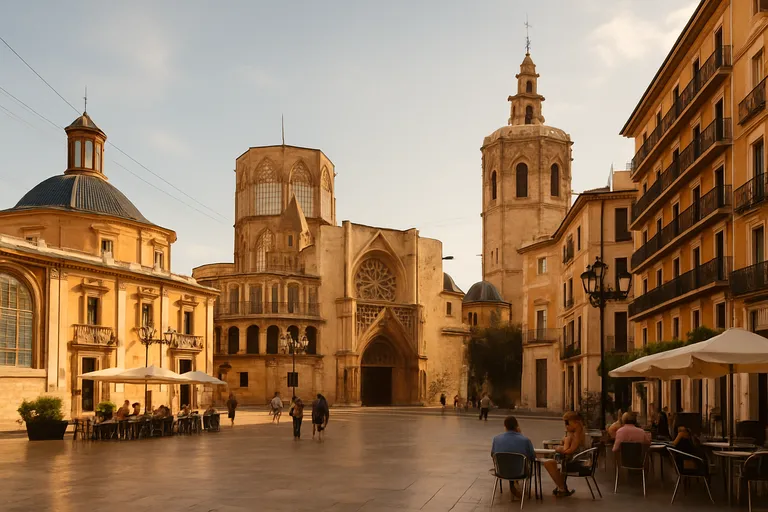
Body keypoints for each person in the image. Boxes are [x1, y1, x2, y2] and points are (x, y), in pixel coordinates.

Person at [542, 411, 590, 497]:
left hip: (577, 463)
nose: (566, 426)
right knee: (554, 462)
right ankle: (561, 487)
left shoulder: (577, 435)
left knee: (549, 463)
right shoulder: (577, 433)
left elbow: (569, 451)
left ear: (576, 422)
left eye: (567, 423)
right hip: (573, 461)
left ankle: (562, 488)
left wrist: (559, 448)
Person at [491, 416, 535, 497]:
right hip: (521, 472)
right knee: (519, 464)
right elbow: (532, 457)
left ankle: (513, 486)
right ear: (516, 425)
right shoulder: (525, 440)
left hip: (501, 472)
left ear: (505, 426)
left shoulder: (496, 439)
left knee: (509, 463)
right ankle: (520, 487)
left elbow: (492, 454)